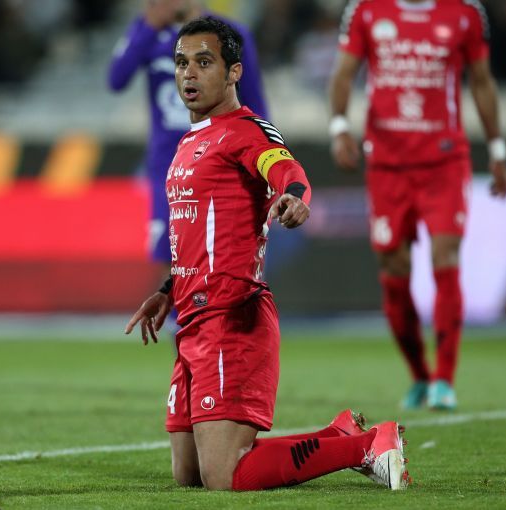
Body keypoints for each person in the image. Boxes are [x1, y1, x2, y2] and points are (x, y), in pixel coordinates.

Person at [125, 17, 408, 491]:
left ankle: (369, 445)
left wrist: (295, 197)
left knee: (224, 475)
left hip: (230, 317)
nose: (189, 73)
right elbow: (197, 236)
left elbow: (286, 169)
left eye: (204, 62)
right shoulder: (190, 141)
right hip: (191, 318)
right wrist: (167, 290)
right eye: (181, 63)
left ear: (234, 72)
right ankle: (338, 434)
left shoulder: (246, 131)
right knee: (188, 473)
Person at [329, 0, 506, 410]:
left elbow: (482, 81)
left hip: (444, 160)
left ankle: (445, 379)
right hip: (387, 164)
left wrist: (497, 148)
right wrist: (339, 127)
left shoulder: (464, 12)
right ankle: (419, 376)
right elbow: (343, 72)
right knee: (393, 269)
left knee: (446, 256)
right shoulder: (366, 9)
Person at [108, 0, 268, 289]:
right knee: (170, 257)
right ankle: (178, 318)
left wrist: (263, 165)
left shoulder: (231, 33)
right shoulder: (149, 30)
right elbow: (116, 79)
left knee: (225, 256)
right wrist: (148, 26)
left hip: (221, 161)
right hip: (168, 165)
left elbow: (255, 104)